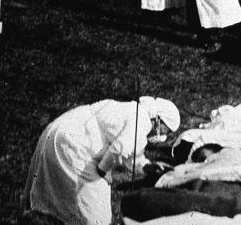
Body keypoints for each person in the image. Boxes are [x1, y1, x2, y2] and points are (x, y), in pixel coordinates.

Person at [23, 96, 181, 225]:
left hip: (62, 128)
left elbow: (129, 148)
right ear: (159, 120)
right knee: (99, 217)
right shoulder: (143, 120)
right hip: (75, 143)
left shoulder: (134, 111)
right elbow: (119, 148)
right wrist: (103, 171)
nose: (164, 135)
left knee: (76, 201)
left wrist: (147, 166)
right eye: (166, 130)